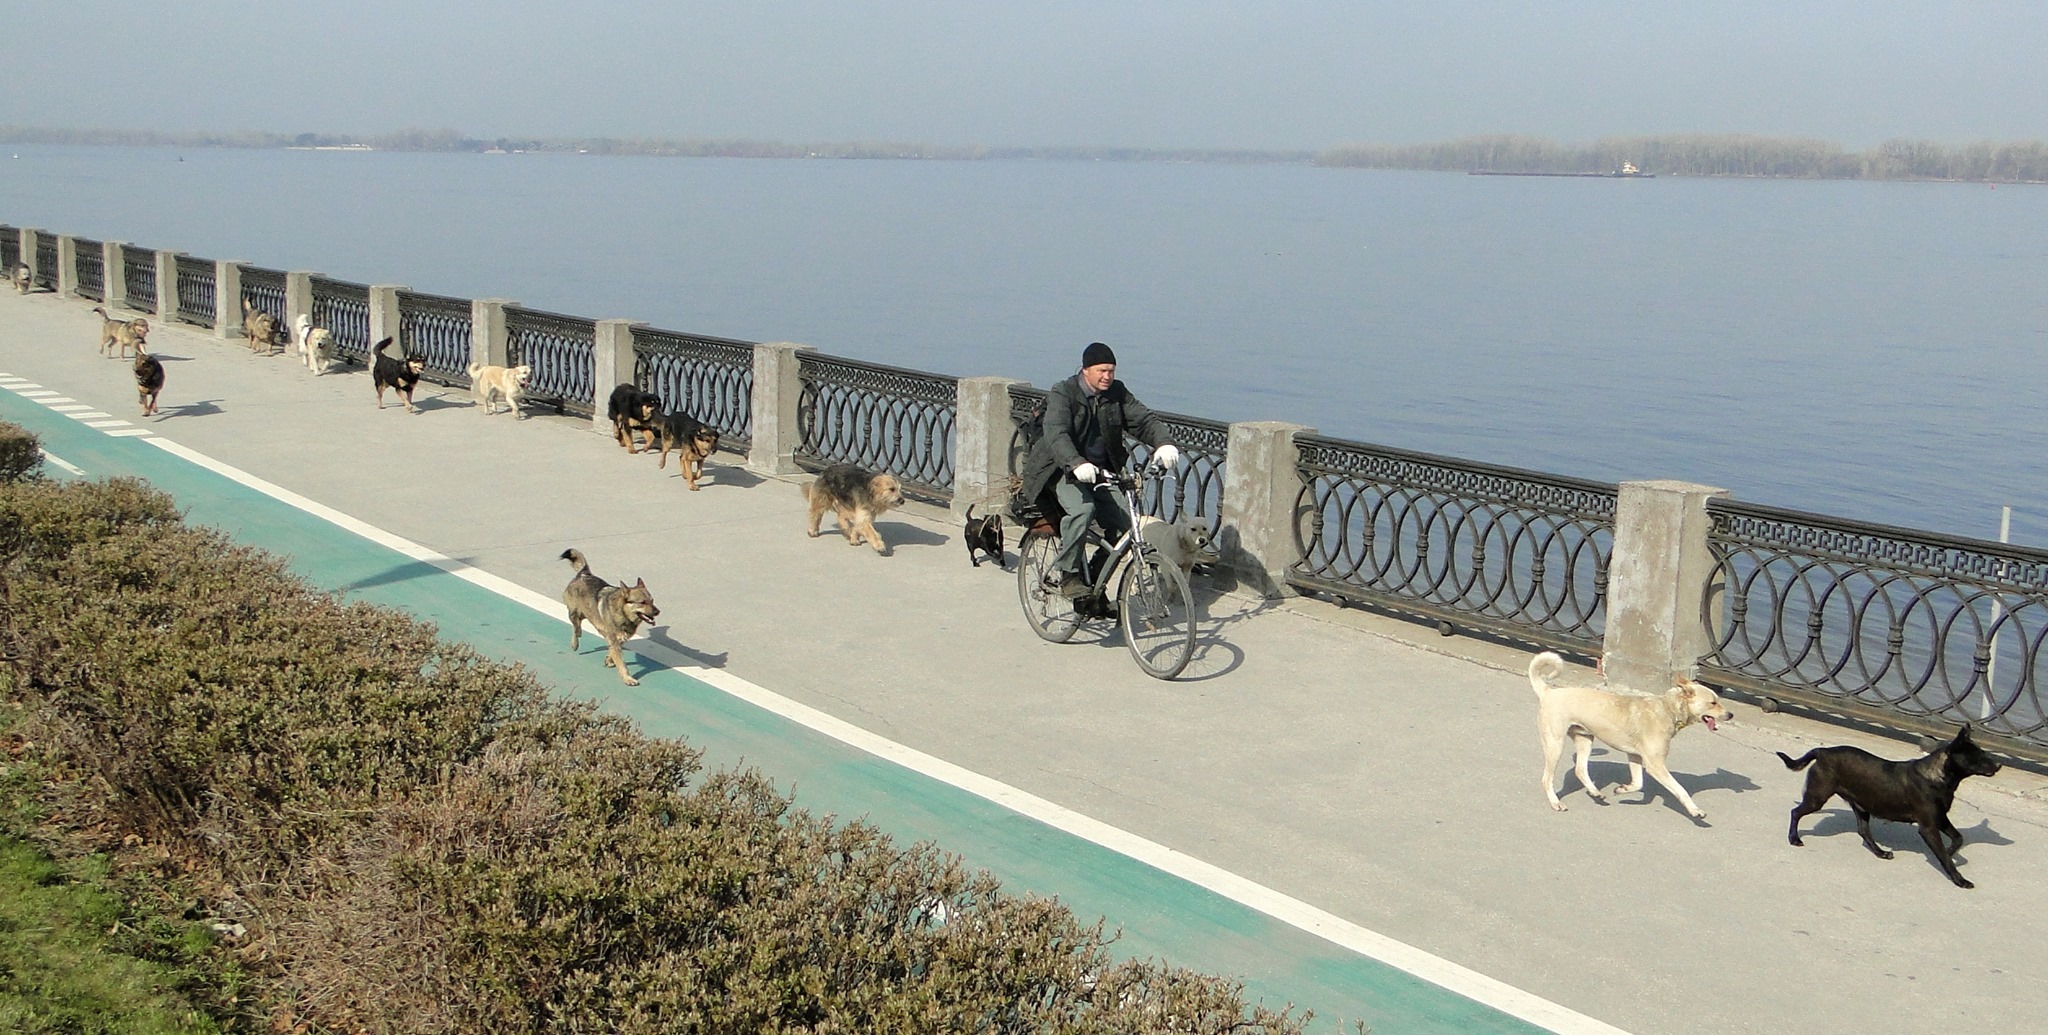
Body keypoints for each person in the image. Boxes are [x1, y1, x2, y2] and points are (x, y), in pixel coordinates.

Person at [1018, 342, 1180, 598]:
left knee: (1126, 527)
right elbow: (1056, 433)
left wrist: (1164, 443)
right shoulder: (1064, 393)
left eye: (1112, 371)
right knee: (1084, 509)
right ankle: (1069, 575)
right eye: (1102, 370)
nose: (1108, 376)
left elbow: (1144, 420)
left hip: (1102, 472)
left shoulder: (1117, 393)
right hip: (1058, 469)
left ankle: (1093, 579)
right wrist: (1076, 462)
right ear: (1086, 370)